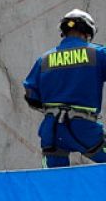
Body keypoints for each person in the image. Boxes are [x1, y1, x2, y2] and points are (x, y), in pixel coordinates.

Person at [22, 9, 106, 167]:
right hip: (85, 128)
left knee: (53, 183)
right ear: (87, 33)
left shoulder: (44, 59)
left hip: (52, 131)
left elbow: (31, 94)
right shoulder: (98, 54)